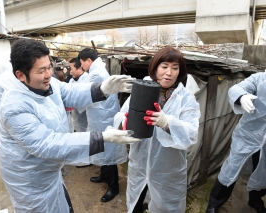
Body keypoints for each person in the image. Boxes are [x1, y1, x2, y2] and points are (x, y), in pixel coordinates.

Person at [0, 39, 140, 213]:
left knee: (61, 203)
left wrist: (103, 89)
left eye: (49, 67)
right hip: (30, 180)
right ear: (20, 75)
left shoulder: (46, 83)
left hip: (48, 169)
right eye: (41, 70)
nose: (49, 74)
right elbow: (49, 144)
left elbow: (69, 92)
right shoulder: (13, 107)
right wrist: (101, 138)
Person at [119, 46, 200, 212]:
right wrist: (124, 122)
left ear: (180, 71)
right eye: (164, 67)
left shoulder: (185, 98)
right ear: (155, 68)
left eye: (175, 68)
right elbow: (121, 115)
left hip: (167, 171)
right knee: (135, 205)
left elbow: (191, 133)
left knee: (166, 208)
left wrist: (167, 123)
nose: (169, 73)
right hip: (139, 167)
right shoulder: (142, 90)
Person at [206, 72, 266, 213]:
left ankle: (255, 199)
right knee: (232, 168)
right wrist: (242, 96)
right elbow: (236, 89)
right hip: (248, 136)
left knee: (263, 170)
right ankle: (214, 203)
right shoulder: (259, 79)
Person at [78, 48, 127, 202]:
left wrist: (76, 103)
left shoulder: (96, 73)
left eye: (82, 64)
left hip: (103, 119)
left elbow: (88, 96)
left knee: (107, 153)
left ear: (88, 60)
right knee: (100, 149)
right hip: (99, 118)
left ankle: (113, 187)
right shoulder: (97, 71)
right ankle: (104, 176)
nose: (82, 68)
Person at [68, 58, 89, 132]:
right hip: (76, 116)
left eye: (71, 69)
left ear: (80, 69)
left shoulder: (87, 80)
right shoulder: (72, 80)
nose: (70, 72)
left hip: (85, 117)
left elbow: (83, 101)